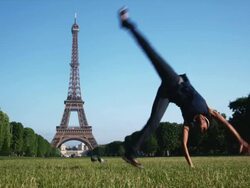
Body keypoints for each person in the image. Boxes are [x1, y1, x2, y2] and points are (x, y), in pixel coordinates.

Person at [119, 7, 250, 168]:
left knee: (153, 123)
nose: (201, 127)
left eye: (200, 129)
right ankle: (128, 24)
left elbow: (184, 145)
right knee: (152, 53)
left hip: (166, 93)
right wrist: (240, 140)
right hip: (174, 81)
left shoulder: (188, 122)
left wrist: (191, 165)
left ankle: (130, 153)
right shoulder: (209, 110)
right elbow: (227, 124)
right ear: (207, 123)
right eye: (204, 128)